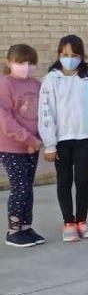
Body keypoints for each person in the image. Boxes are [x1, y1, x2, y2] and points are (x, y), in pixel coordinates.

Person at [38, 35, 88, 242]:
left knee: (83, 180)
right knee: (64, 181)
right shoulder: (51, 79)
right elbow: (46, 111)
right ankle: (68, 223)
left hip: (84, 137)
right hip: (61, 140)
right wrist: (49, 144)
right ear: (58, 55)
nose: (69, 59)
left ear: (81, 56)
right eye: (65, 55)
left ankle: (82, 220)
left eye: (74, 55)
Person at [0, 44, 45, 247]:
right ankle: (14, 230)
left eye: (30, 63)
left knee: (28, 188)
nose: (25, 67)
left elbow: (41, 115)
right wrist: (28, 139)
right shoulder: (5, 84)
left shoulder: (36, 84)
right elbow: (5, 119)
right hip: (12, 146)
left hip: (31, 146)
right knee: (19, 188)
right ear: (9, 63)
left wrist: (36, 140)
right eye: (20, 62)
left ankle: (26, 227)